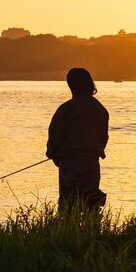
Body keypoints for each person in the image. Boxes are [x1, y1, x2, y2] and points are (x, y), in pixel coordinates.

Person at [46, 68, 109, 211]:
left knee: (67, 205)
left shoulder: (65, 109)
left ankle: (68, 231)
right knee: (91, 205)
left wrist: (52, 153)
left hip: (70, 164)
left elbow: (55, 136)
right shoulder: (100, 109)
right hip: (92, 163)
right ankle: (93, 231)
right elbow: (103, 138)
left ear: (71, 86)